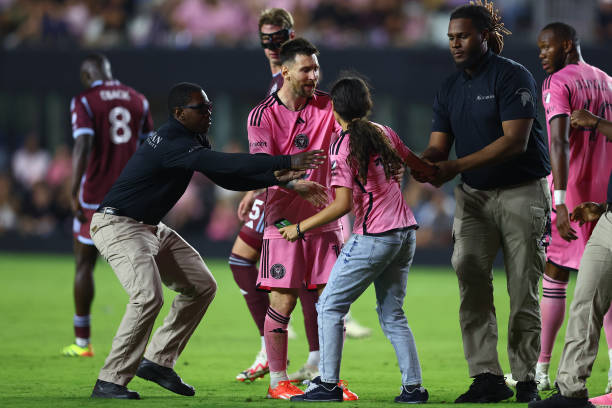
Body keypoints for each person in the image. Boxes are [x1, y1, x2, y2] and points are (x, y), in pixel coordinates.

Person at [88, 82, 325, 399]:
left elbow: (226, 176)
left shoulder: (192, 138)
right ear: (179, 113)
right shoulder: (172, 141)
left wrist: (287, 181)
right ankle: (110, 380)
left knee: (201, 285)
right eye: (202, 108)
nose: (209, 113)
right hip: (117, 224)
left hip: (148, 227)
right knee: (147, 296)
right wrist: (287, 162)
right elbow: (226, 165)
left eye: (209, 107)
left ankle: (158, 361)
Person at [413, 1, 551, 403]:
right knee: (468, 272)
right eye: (451, 37)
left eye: (464, 36)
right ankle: (486, 376)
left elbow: (515, 141)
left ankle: (525, 378)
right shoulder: (449, 87)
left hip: (522, 190)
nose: (455, 44)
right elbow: (439, 148)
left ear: (485, 37)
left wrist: (453, 166)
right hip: (473, 196)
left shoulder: (513, 76)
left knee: (524, 284)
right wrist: (413, 161)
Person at [231, 8, 370, 384]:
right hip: (282, 219)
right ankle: (278, 381)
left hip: (325, 221)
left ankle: (328, 379)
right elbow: (262, 167)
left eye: (316, 70)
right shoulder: (261, 116)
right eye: (306, 70)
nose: (314, 77)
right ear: (286, 71)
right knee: (283, 301)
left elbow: (359, 133)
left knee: (331, 302)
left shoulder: (329, 105)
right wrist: (294, 184)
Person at [279, 76, 434, 403]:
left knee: (329, 306)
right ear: (367, 105)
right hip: (406, 233)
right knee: (393, 314)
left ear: (335, 107)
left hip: (375, 236)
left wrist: (300, 227)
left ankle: (327, 384)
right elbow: (420, 166)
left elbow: (342, 205)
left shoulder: (342, 143)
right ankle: (413, 388)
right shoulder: (385, 132)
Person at [528, 22, 612, 392]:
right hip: (604, 196)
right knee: (605, 283)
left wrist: (560, 202)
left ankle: (542, 368)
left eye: (546, 47)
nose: (542, 54)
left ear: (565, 44)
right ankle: (611, 375)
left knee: (555, 273)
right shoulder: (608, 81)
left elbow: (559, 143)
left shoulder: (558, 82)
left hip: (572, 196)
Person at [62, 53, 154, 357]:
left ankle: (82, 342)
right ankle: (146, 346)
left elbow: (83, 144)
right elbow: (149, 149)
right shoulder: (138, 100)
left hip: (94, 197)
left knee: (84, 264)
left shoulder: (85, 100)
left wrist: (73, 190)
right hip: (133, 196)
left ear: (88, 75)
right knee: (142, 273)